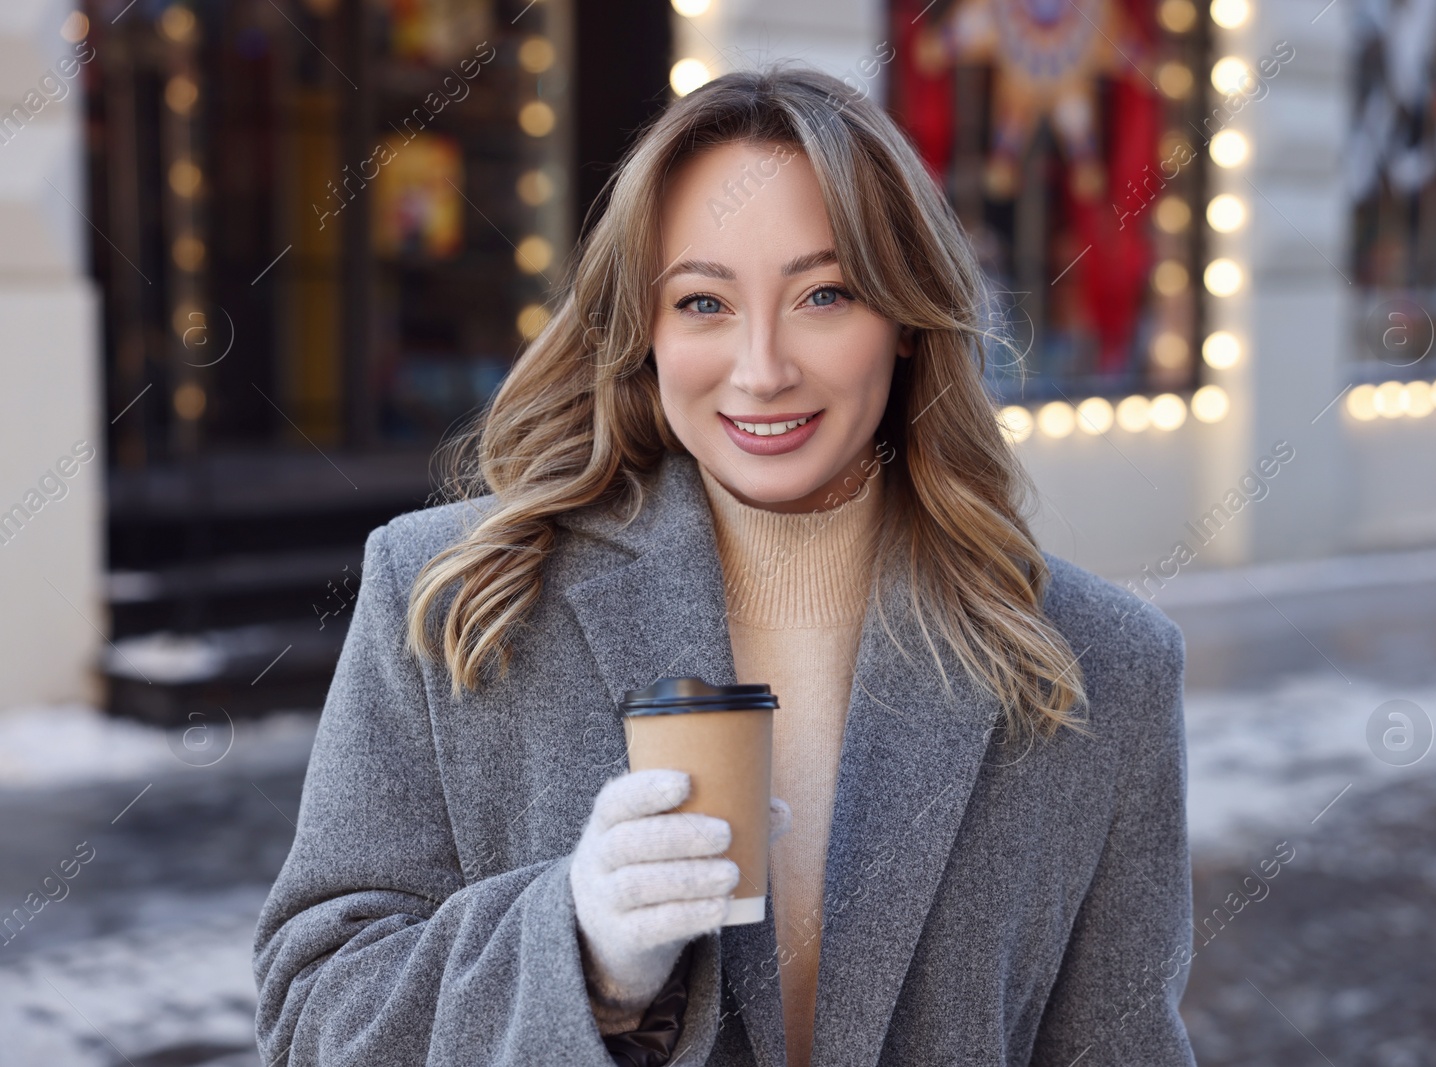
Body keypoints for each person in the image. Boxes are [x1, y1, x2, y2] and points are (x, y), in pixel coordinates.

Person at [253, 63, 1196, 1067]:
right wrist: (576, 948)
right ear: (643, 330)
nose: (761, 367)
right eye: (703, 302)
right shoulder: (452, 595)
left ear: (908, 320)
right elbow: (316, 1018)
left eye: (824, 294)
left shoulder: (1104, 668)